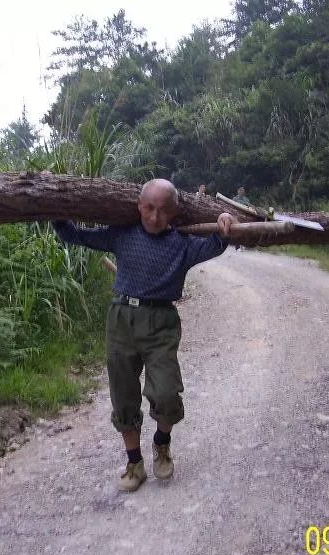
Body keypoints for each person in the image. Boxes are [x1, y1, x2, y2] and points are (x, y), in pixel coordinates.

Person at [52, 179, 235, 492]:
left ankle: (161, 443)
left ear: (175, 214)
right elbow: (76, 234)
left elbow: (217, 243)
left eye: (163, 211)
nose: (154, 217)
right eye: (149, 208)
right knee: (123, 393)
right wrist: (55, 209)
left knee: (165, 392)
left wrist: (224, 223)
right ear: (138, 207)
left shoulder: (182, 244)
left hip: (161, 321)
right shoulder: (122, 235)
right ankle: (134, 462)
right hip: (121, 319)